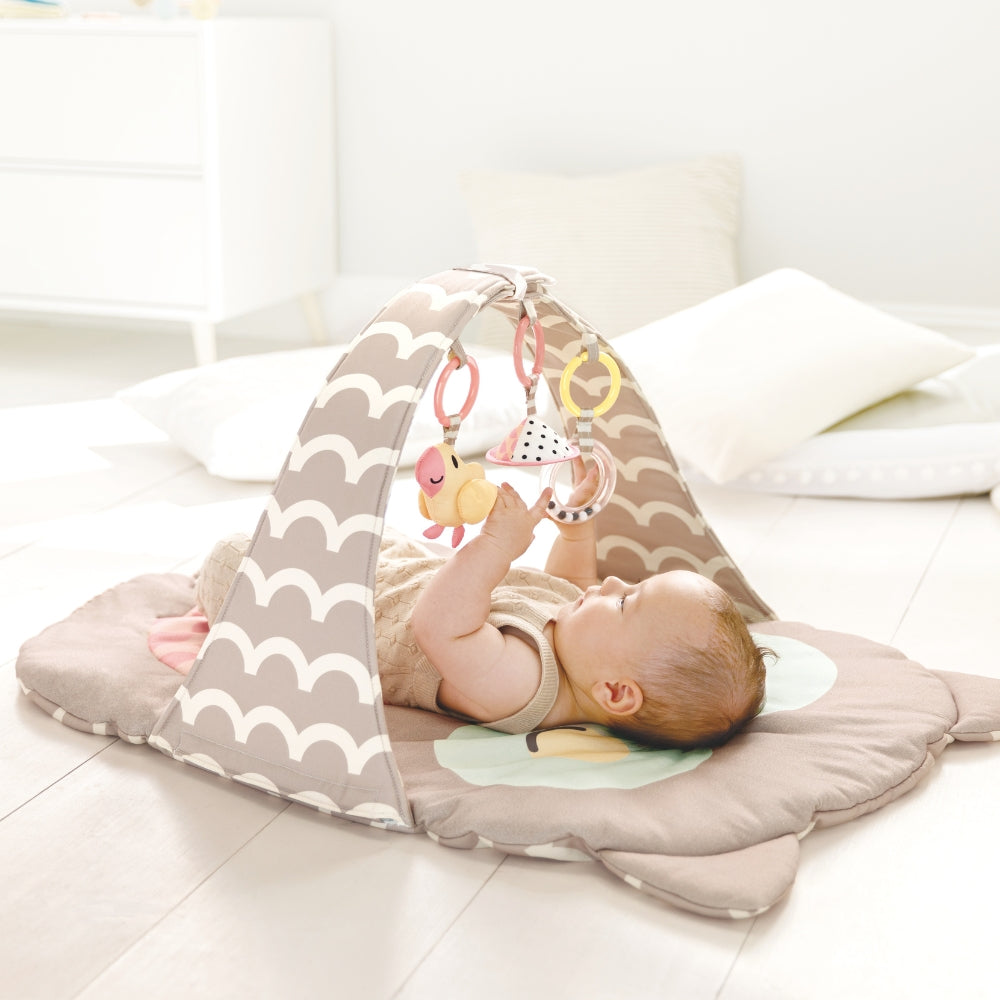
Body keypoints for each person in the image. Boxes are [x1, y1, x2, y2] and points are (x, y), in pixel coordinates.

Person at [194, 467, 768, 751]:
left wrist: (498, 546)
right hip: (395, 572)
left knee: (232, 558)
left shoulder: (523, 687)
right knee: (361, 526)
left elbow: (440, 627)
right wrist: (577, 530)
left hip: (336, 620)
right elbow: (566, 584)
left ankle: (229, 583)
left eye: (625, 601)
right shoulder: (582, 642)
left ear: (616, 692)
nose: (613, 581)